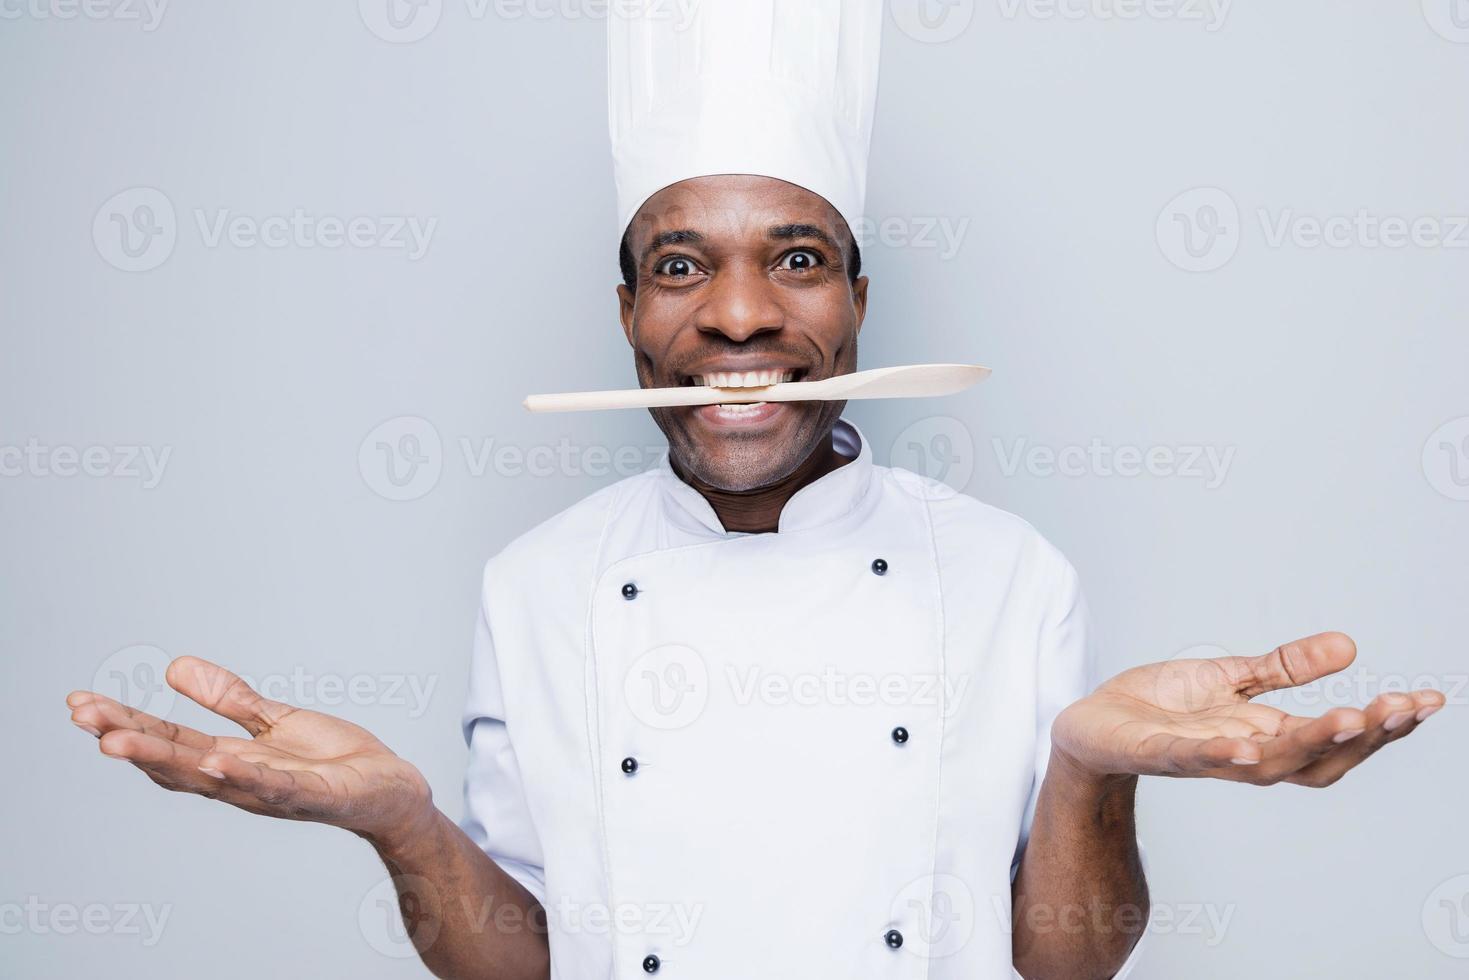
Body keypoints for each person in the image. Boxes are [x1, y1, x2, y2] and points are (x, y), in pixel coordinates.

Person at [65, 2, 1445, 978]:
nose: (738, 318)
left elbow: (1060, 967)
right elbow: (529, 966)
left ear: (856, 303)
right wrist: (402, 826)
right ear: (623, 317)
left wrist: (1089, 768)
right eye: (680, 267)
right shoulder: (535, 586)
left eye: (795, 258)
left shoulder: (1009, 570)